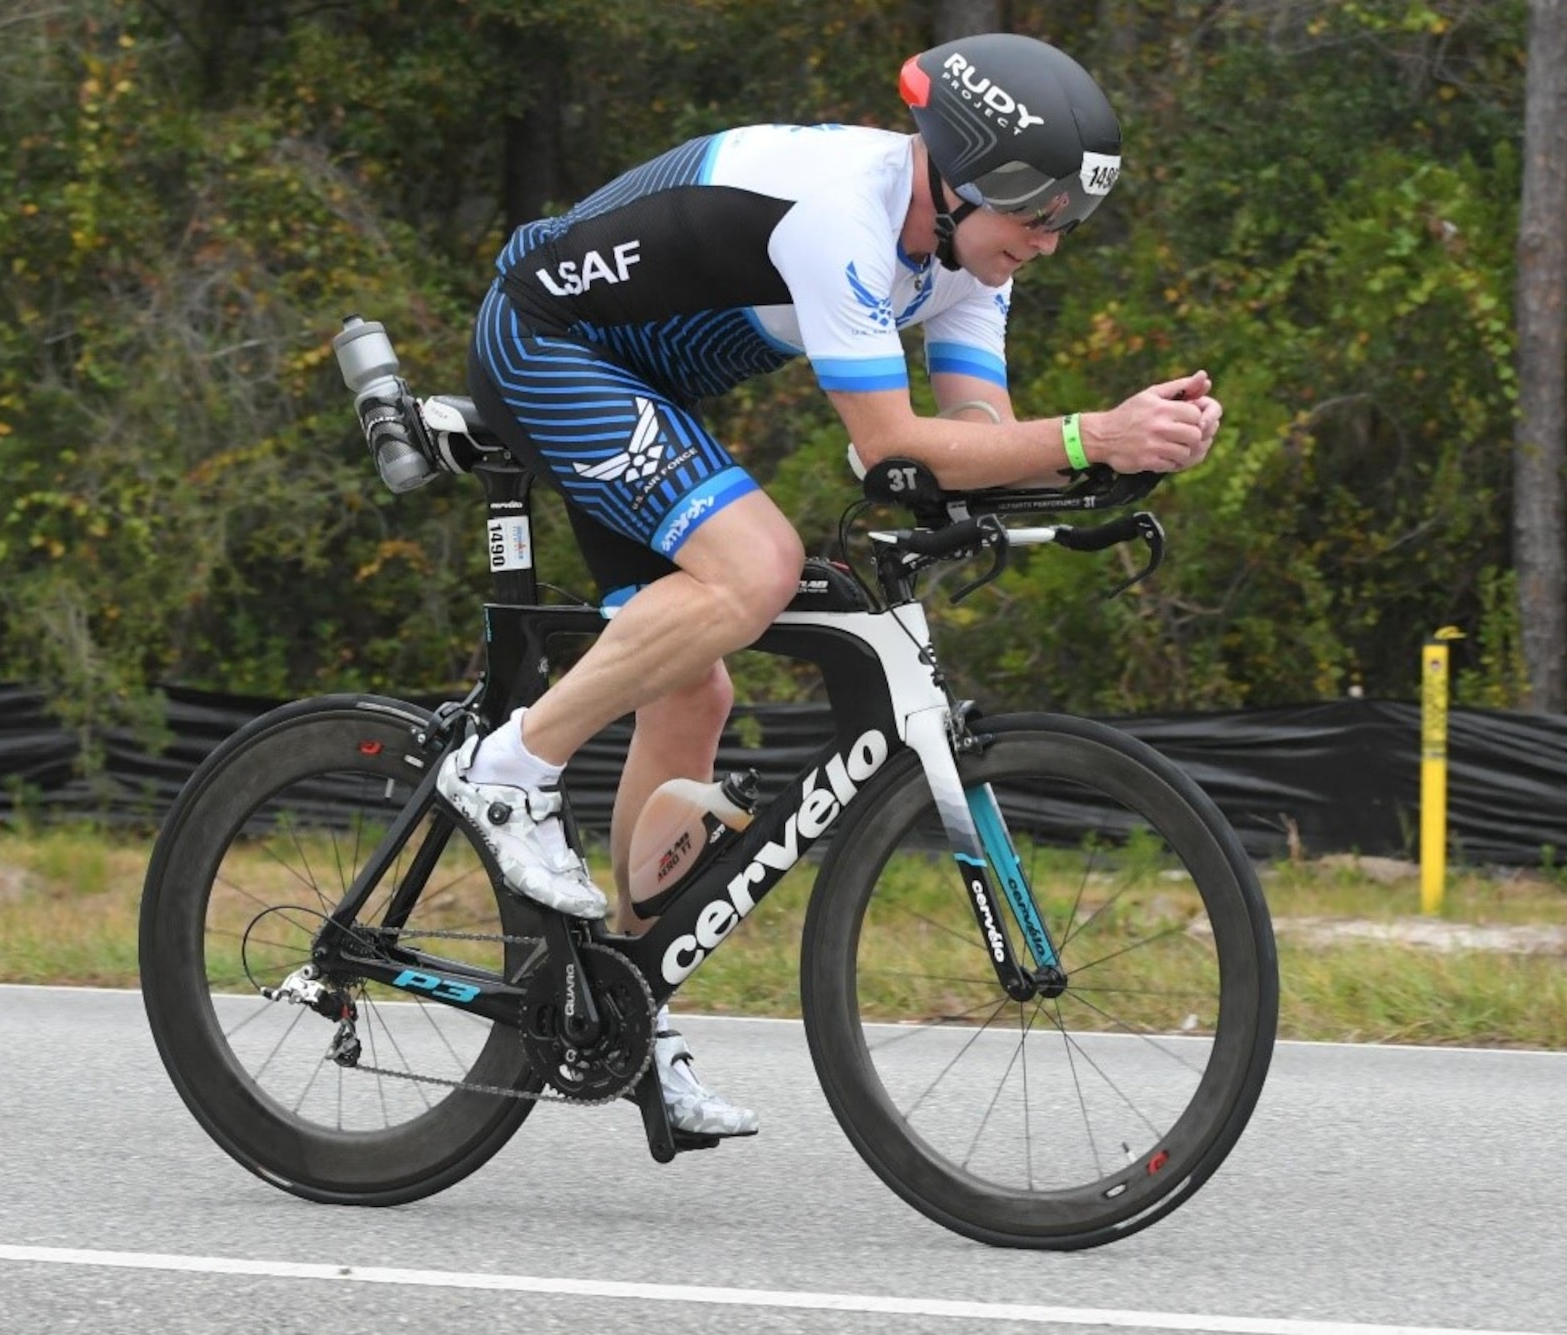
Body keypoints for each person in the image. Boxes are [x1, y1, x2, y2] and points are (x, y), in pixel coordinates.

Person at [438, 32, 1224, 1138]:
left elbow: (961, 445)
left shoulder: (963, 262)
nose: (1049, 243)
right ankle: (505, 770)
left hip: (640, 385)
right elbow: (892, 440)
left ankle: (626, 1004)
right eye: (1036, 215)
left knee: (694, 692)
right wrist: (1091, 431)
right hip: (548, 342)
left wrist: (1122, 451)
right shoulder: (841, 217)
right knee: (754, 566)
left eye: (1066, 222)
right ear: (958, 180)